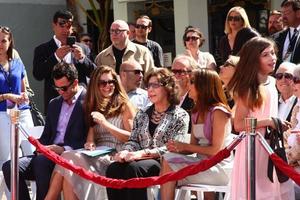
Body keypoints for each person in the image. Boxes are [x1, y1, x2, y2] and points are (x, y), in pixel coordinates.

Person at [45, 66, 136, 200]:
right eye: (103, 83)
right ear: (95, 86)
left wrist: (105, 123)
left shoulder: (124, 105)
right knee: (68, 166)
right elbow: (90, 139)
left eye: (111, 82)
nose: (107, 86)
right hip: (98, 154)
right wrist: (90, 144)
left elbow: (131, 137)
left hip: (116, 155)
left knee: (67, 159)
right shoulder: (95, 106)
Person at [2, 62, 88, 200]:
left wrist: (62, 149)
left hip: (71, 157)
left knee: (41, 162)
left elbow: (88, 139)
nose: (60, 92)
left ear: (75, 83)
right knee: (10, 167)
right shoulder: (54, 103)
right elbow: (46, 136)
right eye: (57, 88)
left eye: (64, 88)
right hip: (48, 155)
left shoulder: (88, 102)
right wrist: (40, 148)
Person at [106, 68, 190, 200]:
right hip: (137, 157)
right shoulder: (142, 113)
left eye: (155, 85)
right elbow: (133, 140)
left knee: (134, 169)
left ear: (168, 88)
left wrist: (143, 153)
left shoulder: (180, 115)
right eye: (148, 85)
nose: (150, 90)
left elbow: (173, 147)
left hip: (163, 162)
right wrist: (125, 152)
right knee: (113, 168)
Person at [227, 37, 295, 199]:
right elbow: (238, 124)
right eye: (266, 54)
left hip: (271, 146)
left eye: (273, 53)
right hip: (253, 148)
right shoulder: (248, 88)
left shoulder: (272, 82)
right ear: (254, 58)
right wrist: (268, 122)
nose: (272, 58)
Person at [160, 68, 233, 200]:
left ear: (204, 86)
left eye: (192, 81)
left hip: (219, 168)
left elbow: (216, 151)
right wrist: (176, 148)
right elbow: (193, 146)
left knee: (168, 163)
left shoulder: (219, 112)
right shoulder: (196, 112)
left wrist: (185, 147)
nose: (188, 85)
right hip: (201, 163)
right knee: (167, 157)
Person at [33, 10, 96, 114]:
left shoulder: (83, 49)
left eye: (69, 25)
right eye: (62, 24)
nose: (65, 29)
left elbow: (94, 74)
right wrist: (55, 57)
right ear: (54, 25)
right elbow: (38, 74)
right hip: (54, 103)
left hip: (80, 103)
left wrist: (82, 58)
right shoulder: (42, 49)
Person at [0, 26, 34, 167]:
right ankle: (11, 190)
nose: (0, 45)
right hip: (2, 114)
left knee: (32, 152)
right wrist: (7, 96)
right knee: (8, 158)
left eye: (3, 41)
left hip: (22, 111)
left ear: (9, 42)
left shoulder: (17, 62)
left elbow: (23, 89)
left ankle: (37, 189)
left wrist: (24, 95)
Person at [171, 54, 197, 132]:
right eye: (174, 71)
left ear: (192, 73)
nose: (176, 75)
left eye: (181, 72)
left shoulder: (196, 98)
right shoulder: (168, 96)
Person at [273, 0, 300, 71]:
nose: (283, 17)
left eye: (287, 13)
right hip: (280, 78)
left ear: (298, 13)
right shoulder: (275, 37)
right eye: (282, 13)